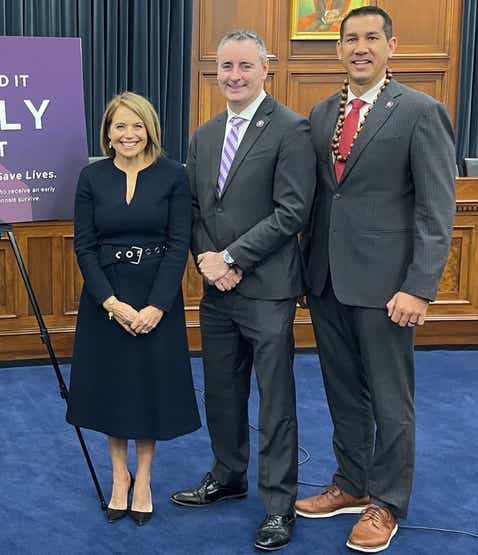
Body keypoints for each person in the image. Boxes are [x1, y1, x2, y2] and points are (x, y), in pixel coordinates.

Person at [296, 7, 456, 553]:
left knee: (391, 400)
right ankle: (351, 483)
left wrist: (420, 285)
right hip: (326, 281)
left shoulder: (420, 111)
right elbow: (320, 199)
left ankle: (386, 500)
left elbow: (437, 209)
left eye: (370, 38)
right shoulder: (320, 114)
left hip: (389, 288)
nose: (359, 47)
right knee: (342, 392)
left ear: (391, 46)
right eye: (349, 39)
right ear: (337, 49)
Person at [169, 30, 315, 551]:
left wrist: (232, 258)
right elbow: (195, 211)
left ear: (264, 70)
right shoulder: (204, 135)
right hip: (218, 292)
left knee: (275, 399)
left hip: (268, 289)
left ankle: (279, 505)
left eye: (244, 67)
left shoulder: (291, 130)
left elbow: (292, 211)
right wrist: (210, 265)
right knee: (223, 391)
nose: (233, 75)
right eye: (225, 66)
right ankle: (227, 476)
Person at [66, 91, 201, 527]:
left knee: (148, 390)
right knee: (113, 390)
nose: (129, 134)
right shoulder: (91, 178)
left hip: (156, 294)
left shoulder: (174, 176)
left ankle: (142, 478)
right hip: (105, 297)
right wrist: (109, 301)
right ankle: (117, 478)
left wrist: (158, 306)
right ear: (108, 132)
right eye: (120, 126)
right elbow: (84, 245)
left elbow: (180, 243)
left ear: (150, 130)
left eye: (137, 125)